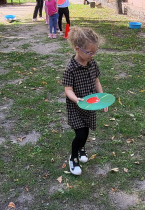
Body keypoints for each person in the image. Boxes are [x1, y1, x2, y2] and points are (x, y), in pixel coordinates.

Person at [62, 27, 108, 175]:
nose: (92, 55)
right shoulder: (71, 69)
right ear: (77, 49)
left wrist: (102, 99)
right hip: (76, 106)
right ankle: (73, 158)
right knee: (80, 133)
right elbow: (68, 89)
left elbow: (97, 82)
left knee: (86, 131)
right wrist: (76, 100)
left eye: (95, 52)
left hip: (90, 105)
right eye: (89, 52)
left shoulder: (92, 64)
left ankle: (81, 149)